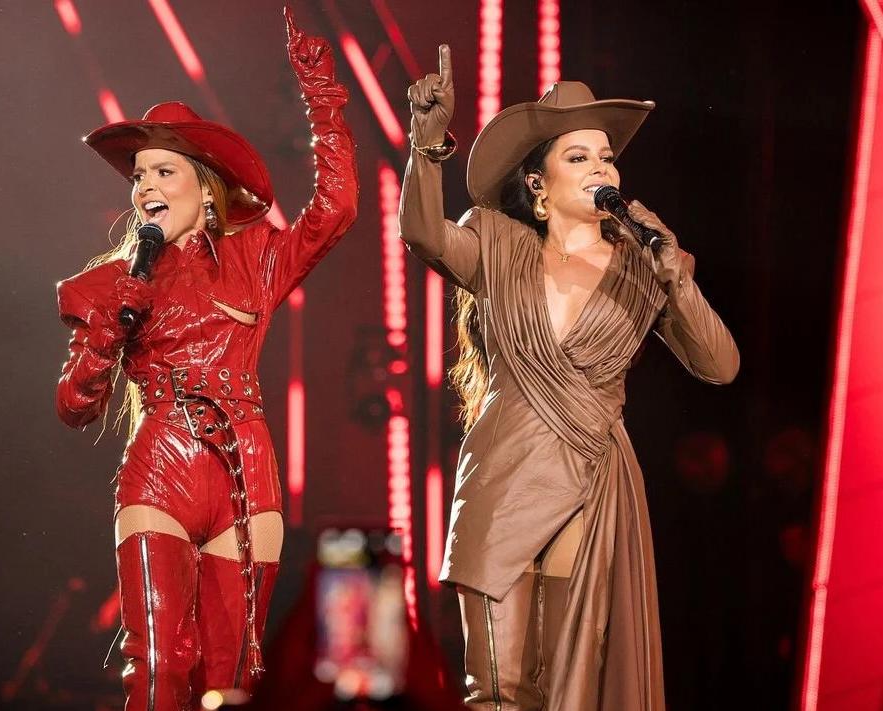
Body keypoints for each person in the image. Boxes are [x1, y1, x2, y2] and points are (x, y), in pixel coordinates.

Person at [398, 46, 739, 710]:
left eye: (606, 157)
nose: (600, 167)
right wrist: (427, 144)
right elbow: (423, 236)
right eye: (578, 157)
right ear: (538, 184)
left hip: (590, 479)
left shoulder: (644, 268)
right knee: (496, 688)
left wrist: (677, 280)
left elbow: (720, 366)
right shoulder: (496, 242)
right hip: (501, 477)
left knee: (569, 690)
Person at [53, 9, 357, 708]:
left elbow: (336, 208)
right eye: (139, 175)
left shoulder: (257, 260)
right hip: (160, 466)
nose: (146, 187)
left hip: (246, 471)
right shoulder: (108, 283)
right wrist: (110, 328)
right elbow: (73, 406)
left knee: (232, 676)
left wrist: (320, 92)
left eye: (164, 170)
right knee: (161, 664)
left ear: (206, 186)